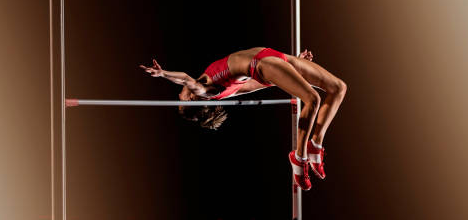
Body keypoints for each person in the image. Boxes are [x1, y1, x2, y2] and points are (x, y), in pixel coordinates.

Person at [140, 47, 347, 190]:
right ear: (193, 100)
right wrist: (163, 74)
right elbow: (185, 78)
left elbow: (260, 83)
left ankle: (315, 144)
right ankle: (299, 158)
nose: (179, 95)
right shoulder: (205, 90)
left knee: (338, 88)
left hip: (276, 58)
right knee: (312, 99)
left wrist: (291, 71)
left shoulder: (226, 90)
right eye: (181, 99)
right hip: (266, 62)